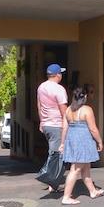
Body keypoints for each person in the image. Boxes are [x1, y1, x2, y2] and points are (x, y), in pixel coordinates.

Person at [59, 87, 104, 205]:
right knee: (76, 169)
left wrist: (63, 143)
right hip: (83, 140)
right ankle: (66, 197)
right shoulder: (87, 110)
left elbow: (64, 128)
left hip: (72, 139)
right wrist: (99, 141)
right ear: (84, 97)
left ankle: (92, 191)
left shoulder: (68, 110)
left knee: (85, 167)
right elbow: (93, 129)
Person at [36, 63, 68, 192]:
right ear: (58, 75)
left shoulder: (41, 87)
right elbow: (63, 110)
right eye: (61, 73)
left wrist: (42, 121)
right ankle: (51, 183)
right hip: (57, 125)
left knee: (54, 152)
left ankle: (52, 180)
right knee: (56, 153)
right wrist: (69, 125)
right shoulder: (59, 89)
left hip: (46, 125)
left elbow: (39, 106)